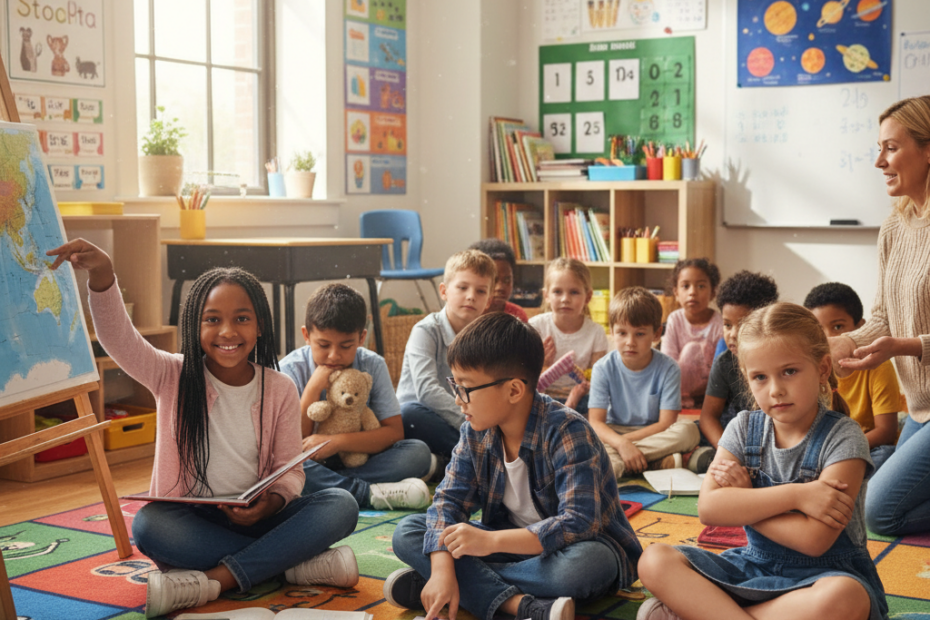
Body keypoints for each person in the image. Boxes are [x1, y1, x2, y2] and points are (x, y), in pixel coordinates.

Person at [47, 239, 359, 618]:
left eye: (241, 318)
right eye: (213, 319)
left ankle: (218, 579)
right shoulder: (171, 375)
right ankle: (291, 563)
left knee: (340, 504)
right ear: (195, 325)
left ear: (260, 325)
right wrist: (103, 276)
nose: (227, 331)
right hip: (194, 521)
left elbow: (290, 469)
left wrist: (270, 504)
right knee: (149, 526)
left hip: (263, 518)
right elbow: (120, 341)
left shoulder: (278, 388)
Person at [636, 303, 888, 620]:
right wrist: (798, 495)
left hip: (824, 577)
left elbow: (814, 541)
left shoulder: (845, 437)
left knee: (845, 598)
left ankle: (706, 613)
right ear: (746, 377)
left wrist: (745, 500)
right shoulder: (742, 428)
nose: (776, 390)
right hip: (753, 568)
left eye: (790, 371)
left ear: (823, 368)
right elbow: (709, 509)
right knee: (654, 560)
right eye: (760, 377)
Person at [385, 313, 643, 620]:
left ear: (514, 391)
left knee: (584, 567)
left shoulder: (567, 430)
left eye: (465, 387)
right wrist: (441, 568)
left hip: (574, 548)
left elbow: (578, 523)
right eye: (455, 384)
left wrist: (487, 543)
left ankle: (461, 584)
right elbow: (448, 501)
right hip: (509, 542)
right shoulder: (475, 430)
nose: (457, 400)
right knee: (407, 531)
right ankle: (518, 604)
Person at [828, 95, 930, 537]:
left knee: (879, 516)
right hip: (922, 409)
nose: (878, 161)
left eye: (890, 148)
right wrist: (837, 346)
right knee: (862, 501)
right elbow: (883, 318)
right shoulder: (895, 225)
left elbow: (897, 338)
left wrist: (903, 347)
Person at [279, 283, 432, 511]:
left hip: (360, 458)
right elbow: (292, 444)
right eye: (323, 345)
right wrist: (311, 389)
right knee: (284, 466)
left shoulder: (373, 365)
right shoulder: (290, 369)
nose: (333, 355)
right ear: (306, 336)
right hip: (311, 463)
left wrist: (336, 442)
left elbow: (393, 432)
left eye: (346, 345)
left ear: (361, 338)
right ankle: (369, 494)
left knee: (418, 453)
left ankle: (331, 488)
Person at [588, 286, 699, 478]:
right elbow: (596, 422)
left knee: (689, 431)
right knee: (590, 436)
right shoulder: (602, 368)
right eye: (622, 333)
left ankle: (616, 461)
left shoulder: (669, 368)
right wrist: (620, 443)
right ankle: (655, 461)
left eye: (639, 334)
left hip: (653, 432)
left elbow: (666, 422)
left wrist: (624, 444)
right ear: (612, 332)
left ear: (656, 334)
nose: (630, 342)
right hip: (616, 431)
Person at [398, 249, 496, 458]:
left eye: (480, 291)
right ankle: (480, 456)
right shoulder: (425, 330)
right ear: (444, 291)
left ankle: (458, 460)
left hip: (460, 423)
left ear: (488, 300)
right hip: (423, 419)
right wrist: (470, 422)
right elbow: (427, 390)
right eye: (462, 287)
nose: (471, 296)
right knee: (409, 413)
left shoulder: (484, 338)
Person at [805, 282, 902, 475]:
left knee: (883, 459)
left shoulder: (879, 366)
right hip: (829, 450)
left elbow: (886, 431)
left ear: (861, 327)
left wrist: (843, 448)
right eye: (819, 329)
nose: (828, 337)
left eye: (838, 326)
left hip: (871, 446)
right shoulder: (811, 370)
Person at [694, 271, 779, 472]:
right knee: (685, 431)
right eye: (727, 324)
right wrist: (728, 451)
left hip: (770, 441)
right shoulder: (725, 363)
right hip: (729, 442)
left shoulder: (779, 361)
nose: (732, 334)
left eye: (742, 325)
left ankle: (696, 458)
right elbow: (708, 417)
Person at [528, 258, 609, 415]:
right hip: (542, 397)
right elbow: (525, 375)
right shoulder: (536, 326)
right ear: (546, 295)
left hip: (582, 400)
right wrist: (543, 364)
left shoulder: (596, 332)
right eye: (557, 292)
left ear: (588, 297)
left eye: (574, 292)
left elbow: (597, 381)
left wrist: (579, 391)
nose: (565, 299)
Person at [661, 258, 723, 409]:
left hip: (710, 391)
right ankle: (681, 399)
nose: (692, 292)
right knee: (690, 351)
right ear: (676, 292)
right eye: (685, 286)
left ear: (713, 292)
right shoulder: (675, 319)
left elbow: (721, 367)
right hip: (676, 389)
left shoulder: (719, 323)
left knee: (694, 350)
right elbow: (668, 361)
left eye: (701, 286)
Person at [468, 238, 529, 322]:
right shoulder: (467, 312)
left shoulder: (517, 314)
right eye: (494, 280)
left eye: (507, 280)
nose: (500, 287)